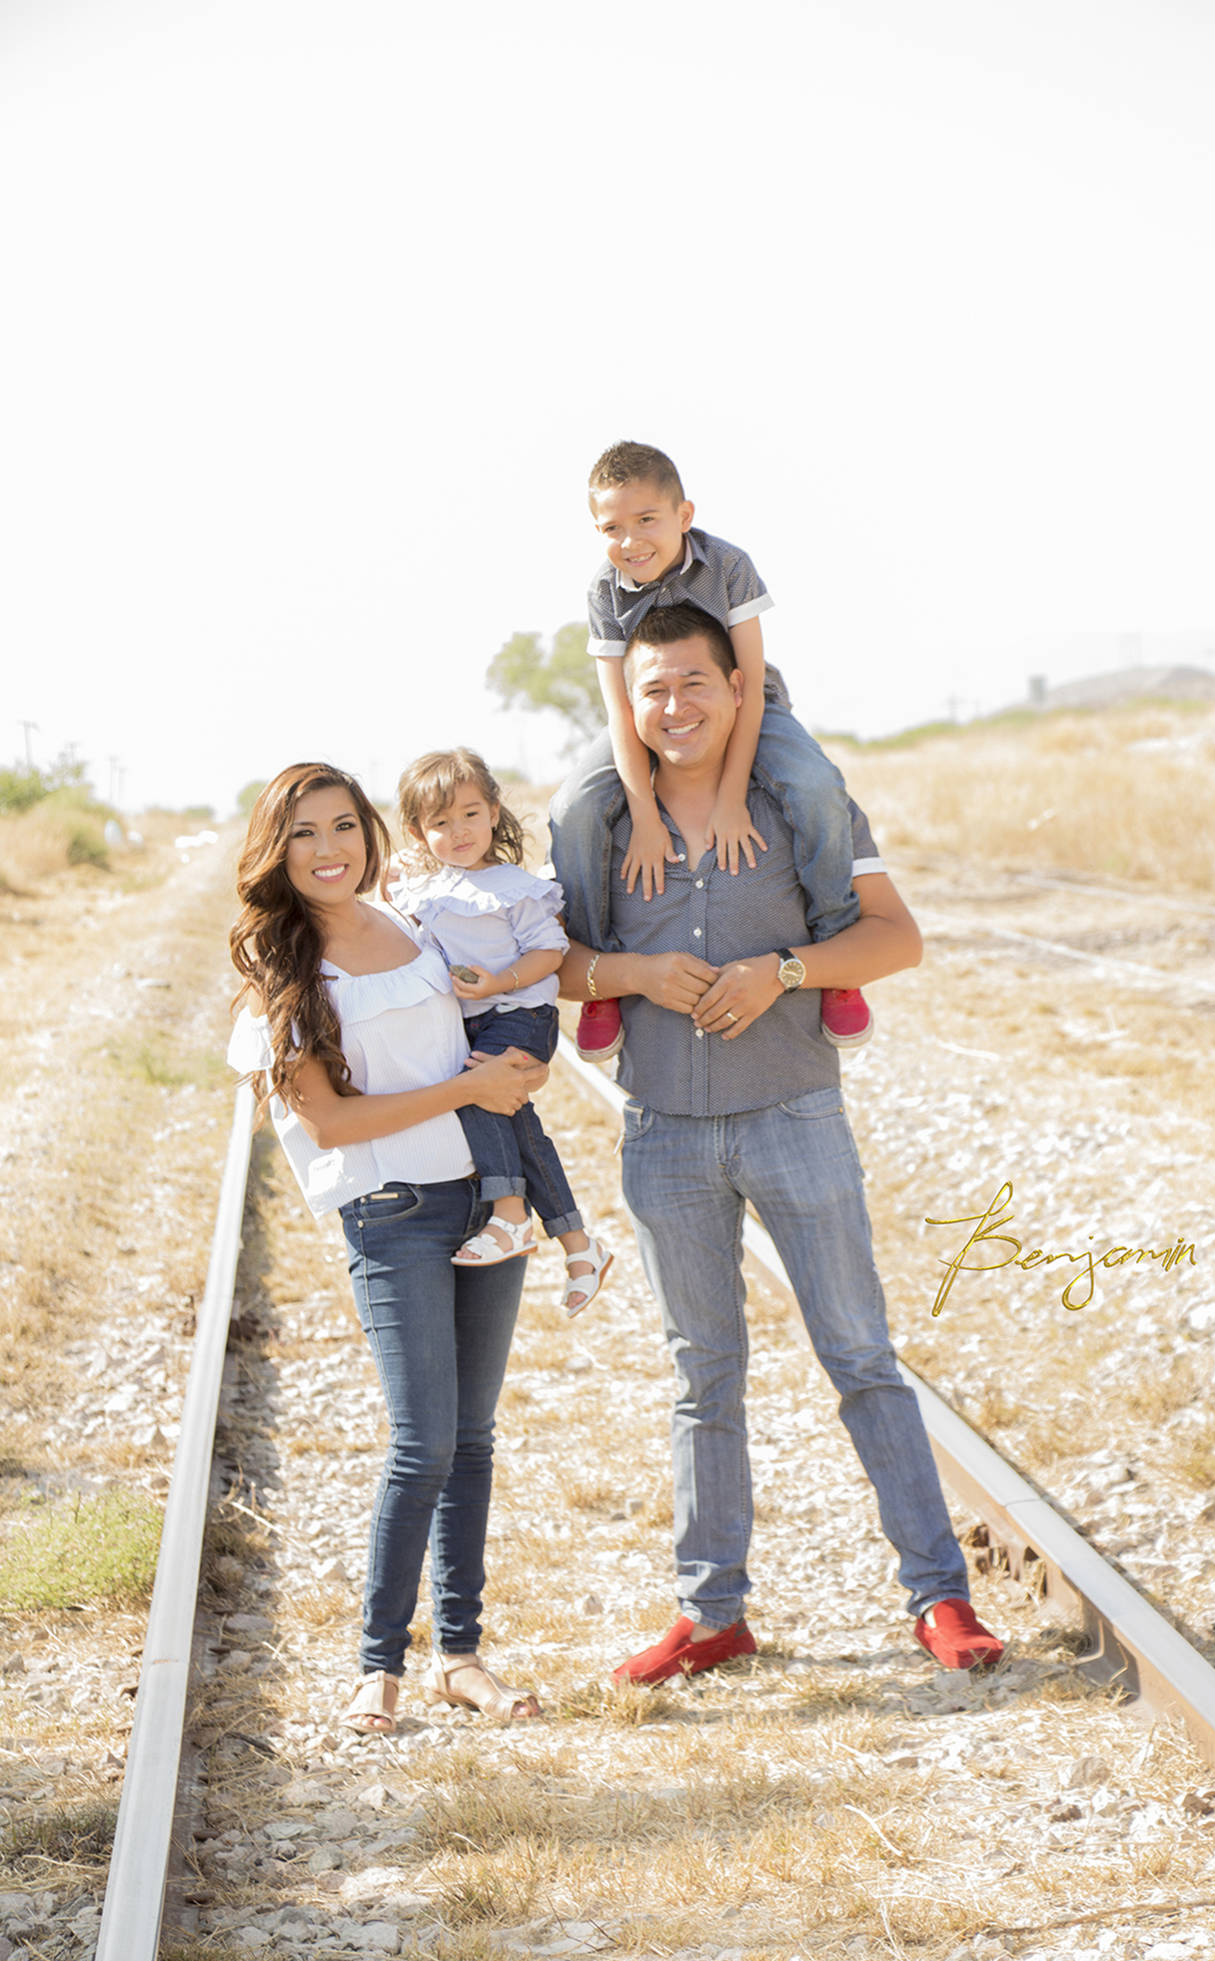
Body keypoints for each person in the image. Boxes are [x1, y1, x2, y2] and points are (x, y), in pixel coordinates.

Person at [554, 605, 1004, 1683]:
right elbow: (550, 963)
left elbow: (897, 937)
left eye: (693, 683)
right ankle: (712, 1614)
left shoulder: (801, 802)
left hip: (796, 1118)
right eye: (653, 689)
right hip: (663, 1136)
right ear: (628, 703)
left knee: (860, 1358)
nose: (674, 707)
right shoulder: (603, 821)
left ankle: (940, 1598)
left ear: (737, 689)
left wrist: (786, 972)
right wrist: (633, 974)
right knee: (700, 1376)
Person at [228, 761, 545, 1735]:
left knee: (473, 1437)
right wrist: (468, 1090)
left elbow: (495, 1000)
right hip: (391, 1210)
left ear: (370, 833)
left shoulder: (412, 921)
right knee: (422, 1443)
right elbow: (329, 1121)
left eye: (342, 826)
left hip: (481, 1197)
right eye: (303, 833)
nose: (328, 849)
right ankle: (378, 1666)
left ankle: (460, 1657)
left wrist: (514, 1066)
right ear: (276, 853)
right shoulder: (288, 969)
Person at [549, 438, 873, 1062]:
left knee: (814, 785)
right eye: (612, 528)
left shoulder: (727, 566)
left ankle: (836, 953)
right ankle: (603, 979)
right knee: (574, 807)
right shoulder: (604, 592)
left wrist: (731, 800)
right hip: (649, 712)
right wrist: (644, 816)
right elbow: (620, 709)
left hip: (747, 702)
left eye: (647, 519)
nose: (630, 540)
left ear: (684, 515)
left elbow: (747, 685)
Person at [391, 746, 612, 1314]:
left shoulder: (513, 887)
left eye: (470, 814)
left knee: (474, 1093)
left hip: (520, 1012)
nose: (459, 831)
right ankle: (579, 1245)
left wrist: (500, 981)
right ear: (418, 833)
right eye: (441, 823)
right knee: (519, 1128)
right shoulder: (426, 890)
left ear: (493, 812)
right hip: (472, 1022)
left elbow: (550, 952)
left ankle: (510, 1215)